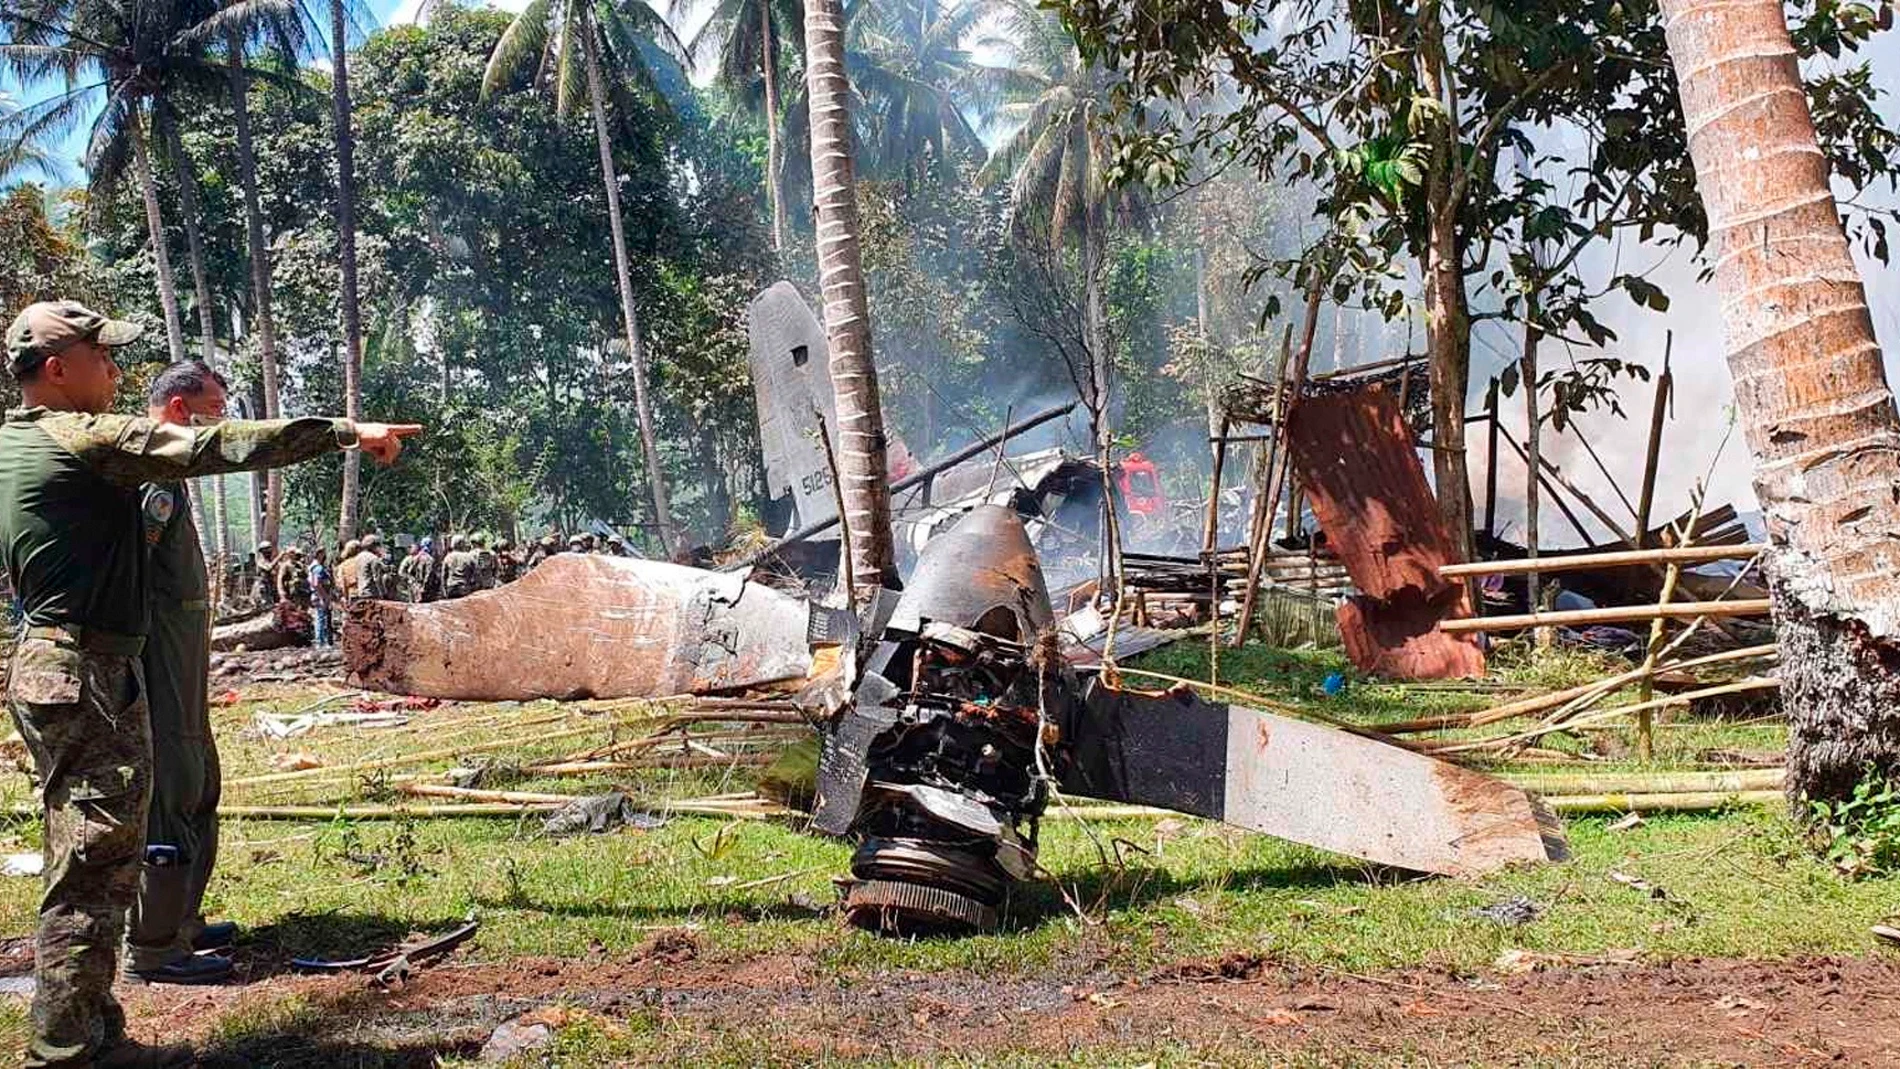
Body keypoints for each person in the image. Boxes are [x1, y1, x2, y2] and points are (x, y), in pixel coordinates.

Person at [0, 304, 420, 1068]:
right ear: (57, 368)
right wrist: (339, 431)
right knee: (93, 864)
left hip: (65, 665)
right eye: (102, 355)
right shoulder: (83, 438)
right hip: (86, 670)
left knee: (97, 856)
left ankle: (92, 1028)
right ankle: (69, 1048)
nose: (116, 371)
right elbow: (212, 446)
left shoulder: (15, 440)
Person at [308, 548, 337, 648]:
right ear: (319, 554)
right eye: (324, 554)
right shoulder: (317, 568)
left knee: (322, 617)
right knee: (321, 618)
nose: (325, 556)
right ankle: (321, 642)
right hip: (320, 596)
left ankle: (322, 641)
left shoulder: (315, 566)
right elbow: (316, 583)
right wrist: (323, 596)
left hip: (319, 595)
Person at [440, 535, 481, 599]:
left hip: (451, 589)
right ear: (461, 544)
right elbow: (477, 574)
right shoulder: (469, 557)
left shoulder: (448, 557)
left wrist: (444, 591)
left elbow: (443, 576)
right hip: (464, 588)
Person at [398, 538, 436, 603]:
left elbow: (401, 572)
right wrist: (424, 588)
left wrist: (410, 580)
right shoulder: (429, 559)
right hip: (424, 589)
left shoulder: (410, 558)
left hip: (412, 587)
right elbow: (428, 575)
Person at [251, 541, 277, 605]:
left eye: (269, 549)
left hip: (269, 585)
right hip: (261, 585)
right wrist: (278, 557)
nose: (269, 552)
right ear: (262, 551)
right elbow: (268, 568)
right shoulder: (260, 561)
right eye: (267, 550)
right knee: (264, 603)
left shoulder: (269, 561)